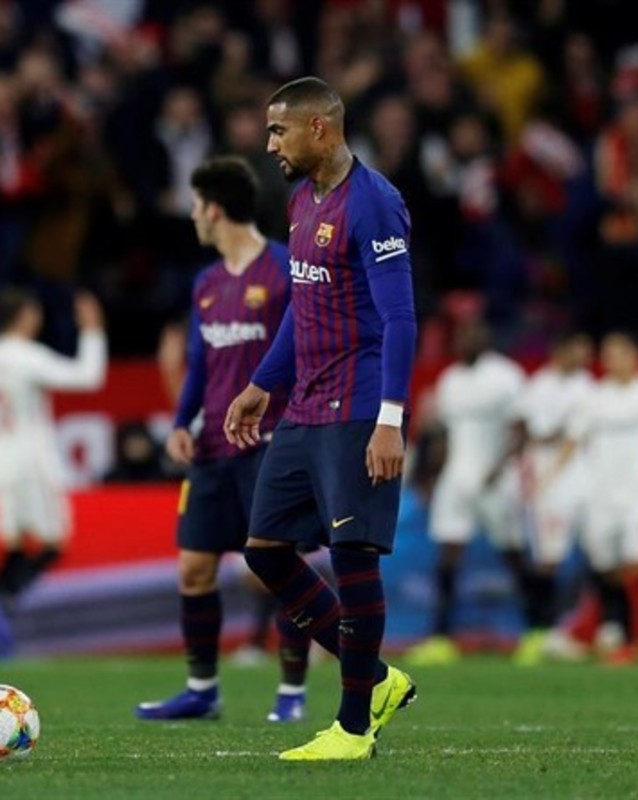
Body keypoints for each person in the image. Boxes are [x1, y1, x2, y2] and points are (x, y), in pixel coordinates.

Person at [224, 76, 417, 761]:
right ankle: (379, 679)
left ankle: (354, 729)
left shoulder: (374, 203)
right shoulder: (301, 200)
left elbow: (400, 318)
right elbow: (303, 309)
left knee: (351, 555)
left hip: (359, 405)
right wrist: (262, 384)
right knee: (265, 550)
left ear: (319, 128)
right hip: (305, 404)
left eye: (278, 130)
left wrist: (390, 419)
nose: (269, 144)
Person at [135, 156, 311, 723]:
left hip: (269, 444)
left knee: (275, 568)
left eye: (195, 205)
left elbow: (305, 349)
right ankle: (201, 690)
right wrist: (180, 424)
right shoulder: (206, 283)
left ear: (214, 210)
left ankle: (292, 693)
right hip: (211, 447)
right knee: (193, 567)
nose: (191, 215)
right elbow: (199, 363)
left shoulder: (284, 269)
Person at [545, 332, 638, 663]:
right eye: (607, 354)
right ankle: (618, 629)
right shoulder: (593, 400)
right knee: (607, 566)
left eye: (618, 353)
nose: (610, 360)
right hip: (601, 494)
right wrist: (550, 476)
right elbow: (573, 441)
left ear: (635, 356)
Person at [404, 320, 533, 667]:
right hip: (457, 477)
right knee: (448, 554)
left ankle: (535, 633)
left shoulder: (506, 375)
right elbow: (442, 435)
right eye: (461, 336)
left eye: (473, 335)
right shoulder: (451, 380)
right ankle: (440, 638)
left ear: (486, 338)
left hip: (495, 479)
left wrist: (498, 467)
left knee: (512, 552)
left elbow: (521, 430)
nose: (466, 341)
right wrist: (432, 477)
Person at [0, 288, 107, 651]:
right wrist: (92, 331)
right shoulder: (25, 355)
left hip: (3, 458)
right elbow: (88, 377)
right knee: (52, 542)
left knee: (14, 545)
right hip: (31, 461)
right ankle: (4, 603)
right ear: (24, 315)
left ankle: (4, 611)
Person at [509, 332, 594, 664]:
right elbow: (525, 426)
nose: (584, 354)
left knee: (597, 554)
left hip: (584, 479)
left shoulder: (587, 386)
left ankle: (592, 630)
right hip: (547, 483)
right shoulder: (538, 385)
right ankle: (543, 631)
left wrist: (549, 439)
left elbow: (572, 435)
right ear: (561, 351)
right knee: (548, 558)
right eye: (578, 347)